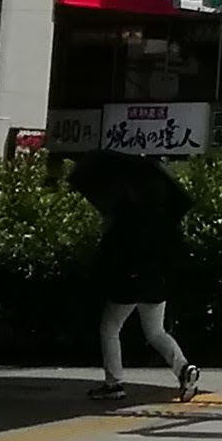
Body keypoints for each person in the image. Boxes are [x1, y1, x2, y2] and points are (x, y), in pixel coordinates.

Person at [71, 148, 200, 404]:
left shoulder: (126, 218)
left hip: (129, 282)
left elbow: (111, 252)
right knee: (156, 331)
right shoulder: (164, 218)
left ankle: (114, 383)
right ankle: (184, 368)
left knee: (110, 328)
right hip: (156, 282)